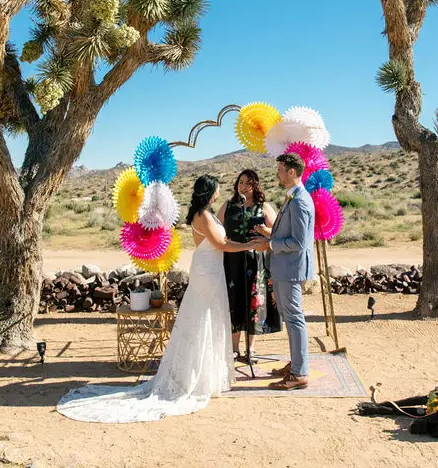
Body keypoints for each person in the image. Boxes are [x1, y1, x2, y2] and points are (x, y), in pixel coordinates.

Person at [56, 175, 257, 423]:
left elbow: (223, 241)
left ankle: (206, 374)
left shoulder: (207, 213)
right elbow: (221, 244)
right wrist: (249, 246)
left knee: (209, 318)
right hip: (207, 270)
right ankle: (195, 377)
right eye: (216, 188)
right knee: (202, 318)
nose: (219, 191)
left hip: (212, 269)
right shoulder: (203, 216)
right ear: (209, 192)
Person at [248, 152, 316, 390]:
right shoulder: (293, 197)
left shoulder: (299, 201)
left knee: (295, 319)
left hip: (290, 268)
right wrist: (269, 233)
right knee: (291, 317)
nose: (277, 173)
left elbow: (298, 242)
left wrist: (270, 244)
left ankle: (299, 373)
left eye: (280, 169)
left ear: (291, 171)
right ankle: (297, 364)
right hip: (285, 267)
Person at [217, 169, 280, 362]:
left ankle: (251, 348)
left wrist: (264, 230)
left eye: (248, 183)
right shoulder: (228, 205)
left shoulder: (264, 207)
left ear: (255, 186)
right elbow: (217, 229)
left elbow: (278, 232)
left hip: (256, 260)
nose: (243, 187)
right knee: (234, 301)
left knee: (255, 303)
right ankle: (234, 348)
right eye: (241, 182)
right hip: (232, 260)